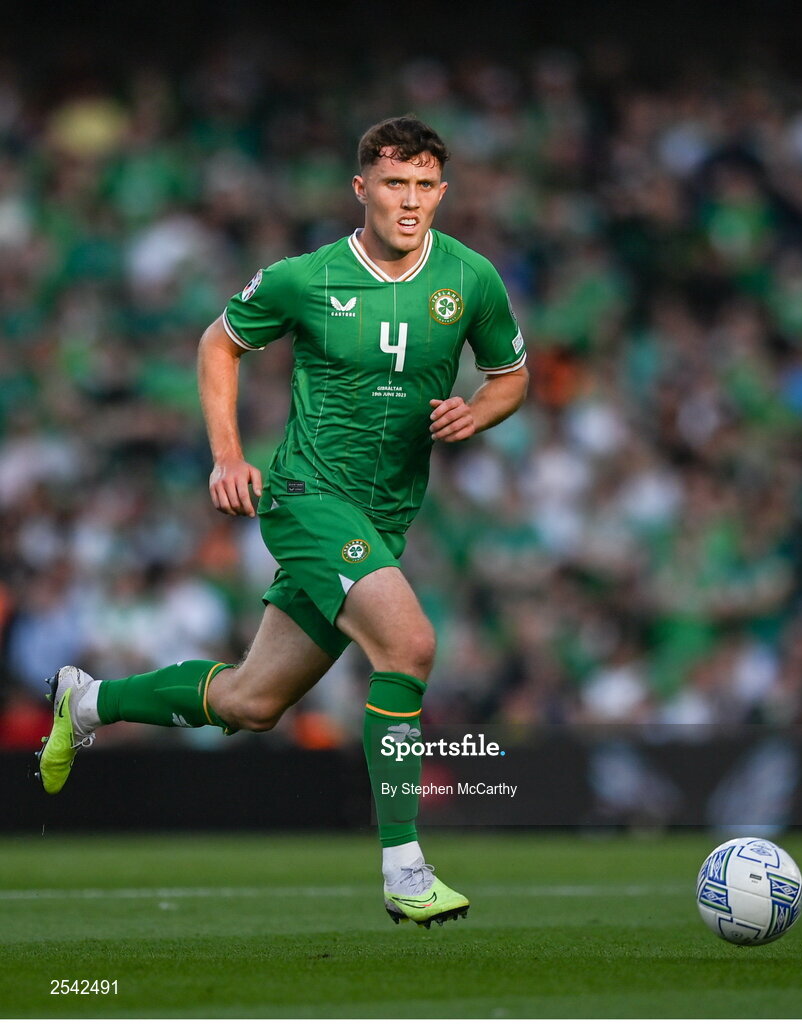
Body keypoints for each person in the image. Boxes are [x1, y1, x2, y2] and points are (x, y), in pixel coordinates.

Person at [35, 115, 529, 927]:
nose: (409, 201)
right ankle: (405, 870)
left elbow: (510, 375)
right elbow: (218, 344)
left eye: (423, 185)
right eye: (394, 184)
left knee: (250, 702)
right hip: (305, 498)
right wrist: (228, 456)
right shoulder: (306, 278)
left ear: (442, 192)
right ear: (361, 188)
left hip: (384, 518)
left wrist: (478, 411)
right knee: (408, 644)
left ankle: (86, 703)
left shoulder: (470, 279)